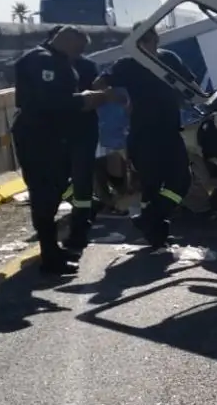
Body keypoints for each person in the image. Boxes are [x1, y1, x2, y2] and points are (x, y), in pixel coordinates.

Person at [11, 26, 116, 274]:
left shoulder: (55, 60)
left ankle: (51, 250)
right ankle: (50, 256)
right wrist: (84, 100)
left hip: (51, 138)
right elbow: (49, 101)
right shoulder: (42, 61)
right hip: (38, 137)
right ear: (67, 41)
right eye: (78, 48)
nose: (78, 55)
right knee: (44, 193)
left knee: (52, 191)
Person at [93, 21, 193, 248]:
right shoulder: (127, 65)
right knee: (151, 185)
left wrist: (184, 97)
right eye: (145, 38)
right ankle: (156, 233)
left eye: (153, 36)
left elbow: (189, 83)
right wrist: (119, 99)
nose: (152, 41)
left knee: (182, 181)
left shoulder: (169, 59)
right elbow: (99, 84)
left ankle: (150, 218)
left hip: (169, 130)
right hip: (143, 134)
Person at [62, 50, 101, 253]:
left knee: (82, 180)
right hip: (58, 130)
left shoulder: (86, 66)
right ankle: (89, 207)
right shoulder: (49, 65)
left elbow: (95, 96)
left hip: (82, 129)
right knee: (55, 178)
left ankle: (79, 231)